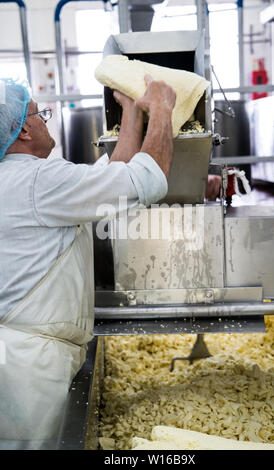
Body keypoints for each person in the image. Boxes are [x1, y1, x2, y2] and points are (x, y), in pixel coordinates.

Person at [0, 76, 176, 449]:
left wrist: (129, 111)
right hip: (29, 368)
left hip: (18, 356)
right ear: (25, 129)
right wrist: (162, 108)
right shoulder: (39, 180)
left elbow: (107, 181)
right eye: (40, 114)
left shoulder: (16, 180)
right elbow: (149, 178)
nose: (46, 121)